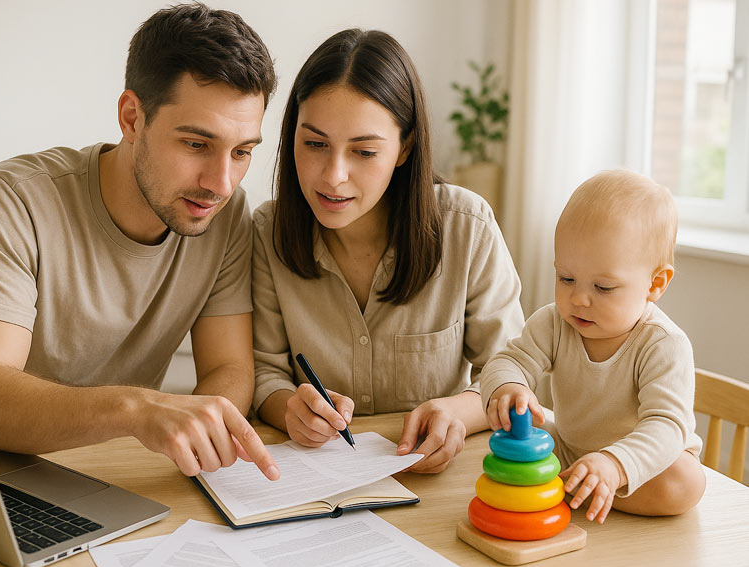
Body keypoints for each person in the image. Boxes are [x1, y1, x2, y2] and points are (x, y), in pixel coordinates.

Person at [0, 3, 280, 481]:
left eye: (242, 152)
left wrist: (205, 424)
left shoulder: (226, 215)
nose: (221, 183)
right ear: (132, 118)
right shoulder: (13, 201)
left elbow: (230, 365)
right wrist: (137, 409)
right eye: (197, 145)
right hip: (0, 474)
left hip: (124, 474)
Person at [252, 29, 525, 474]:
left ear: (405, 149)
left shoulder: (466, 227)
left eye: (363, 151)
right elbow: (265, 375)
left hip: (444, 482)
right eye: (315, 144)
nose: (333, 176)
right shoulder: (267, 233)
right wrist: (290, 410)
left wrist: (457, 413)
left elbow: (512, 372)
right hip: (320, 484)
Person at [481, 170, 706, 523]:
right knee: (515, 435)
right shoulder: (554, 322)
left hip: (644, 465)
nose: (578, 299)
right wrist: (508, 386)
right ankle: (581, 482)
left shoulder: (663, 345)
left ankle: (589, 486)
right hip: (573, 450)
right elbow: (509, 360)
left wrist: (615, 465)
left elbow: (666, 426)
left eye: (603, 287)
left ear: (655, 284)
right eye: (566, 278)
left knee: (685, 482)